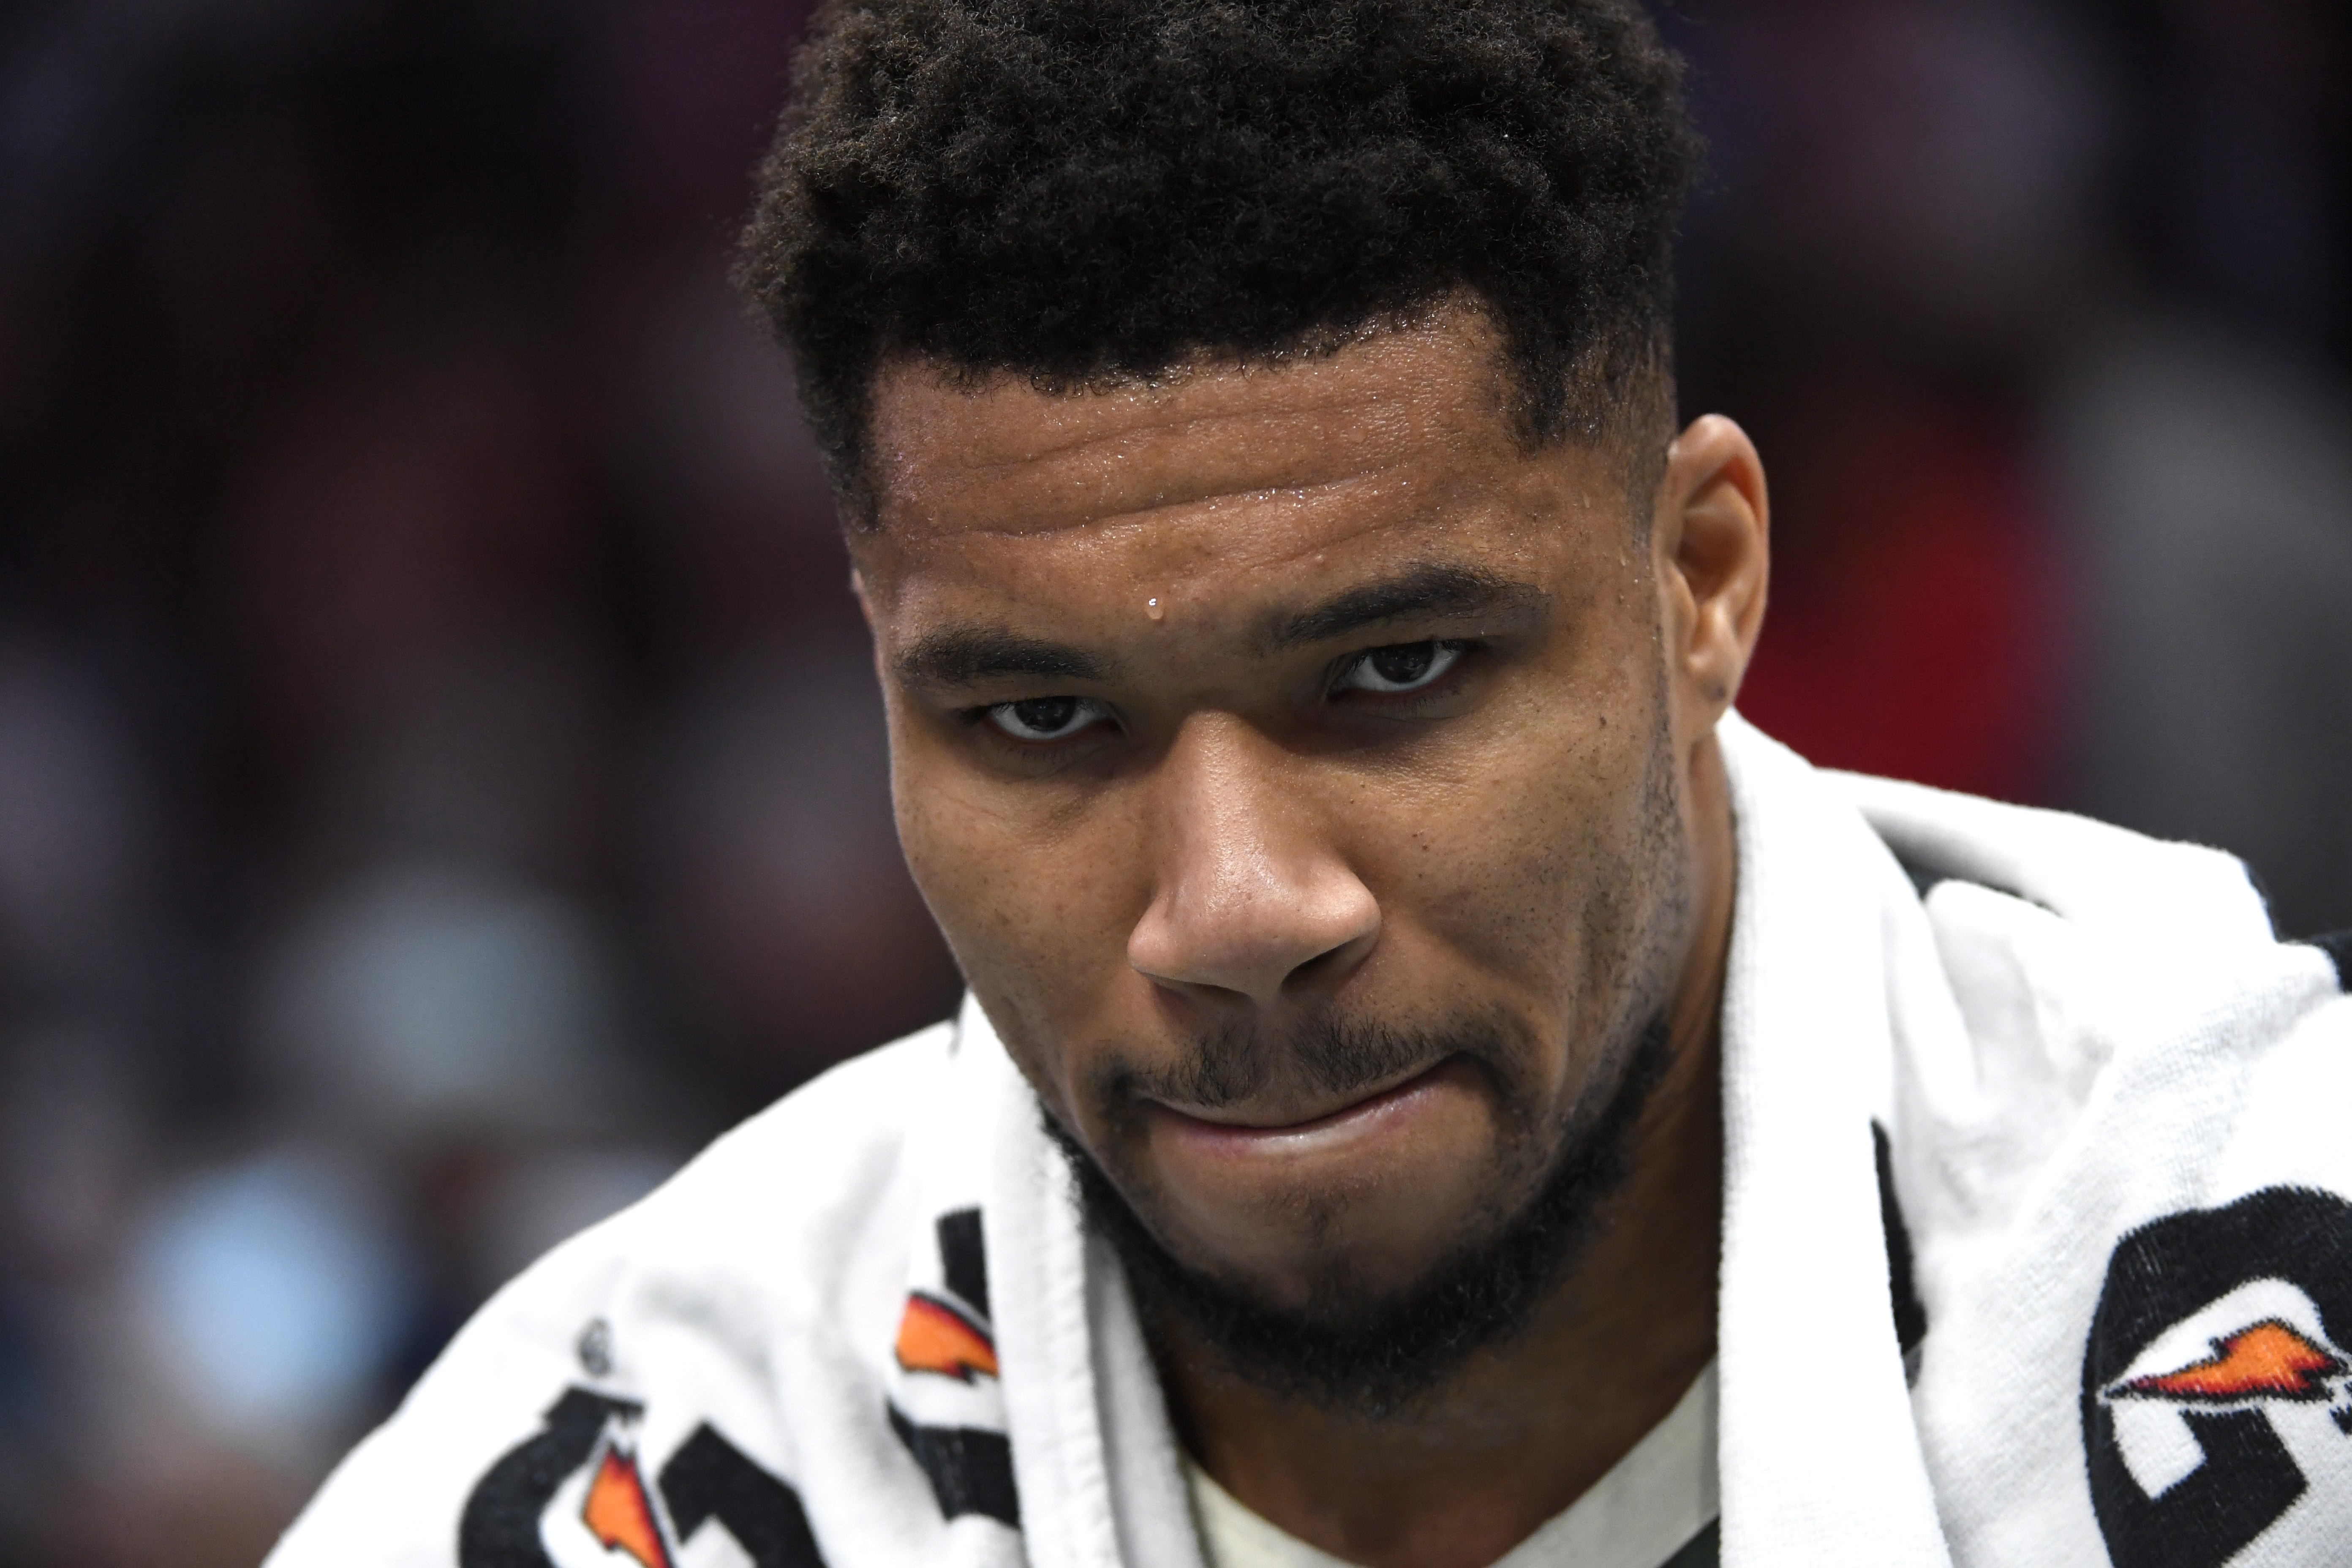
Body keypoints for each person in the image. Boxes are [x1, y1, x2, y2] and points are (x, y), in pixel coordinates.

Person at [264, 3, 2352, 1565]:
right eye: (1041, 718)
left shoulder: (2275, 1287)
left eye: (1396, 671)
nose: (1239, 909)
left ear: (1701, 579)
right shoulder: (619, 1481)